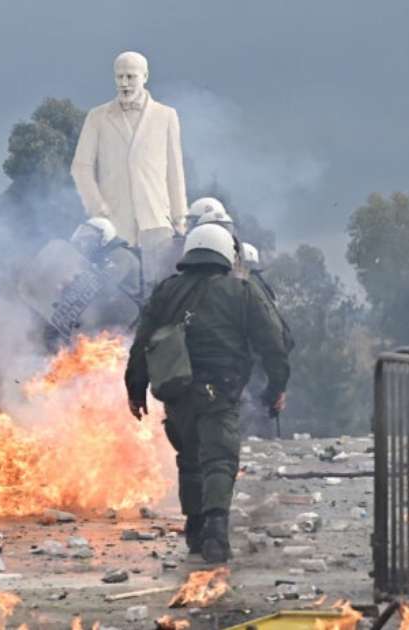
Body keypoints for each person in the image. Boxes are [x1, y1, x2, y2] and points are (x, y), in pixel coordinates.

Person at [125, 224, 290, 563]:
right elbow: (274, 345)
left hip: (176, 392)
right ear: (226, 254)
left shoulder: (166, 291)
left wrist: (135, 388)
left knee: (189, 459)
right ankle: (215, 531)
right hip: (221, 391)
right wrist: (276, 387)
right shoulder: (242, 292)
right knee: (218, 459)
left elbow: (142, 344)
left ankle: (195, 529)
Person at [71, 51, 187, 285]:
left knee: (160, 290)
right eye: (119, 76)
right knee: (117, 295)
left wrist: (179, 218)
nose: (124, 83)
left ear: (145, 76)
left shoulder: (166, 116)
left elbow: (174, 172)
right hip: (114, 224)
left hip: (156, 220)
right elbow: (81, 166)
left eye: (130, 76)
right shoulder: (97, 117)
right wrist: (97, 208)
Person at [239, 243, 295, 439]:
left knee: (253, 419)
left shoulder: (249, 289)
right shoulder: (258, 287)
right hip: (256, 367)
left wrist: (276, 388)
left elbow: (273, 336)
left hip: (251, 368)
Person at [68, 217, 142, 335]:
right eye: (83, 240)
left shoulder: (121, 255)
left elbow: (106, 285)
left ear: (104, 237)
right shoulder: (102, 256)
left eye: (89, 239)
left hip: (124, 313)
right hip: (109, 309)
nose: (85, 244)